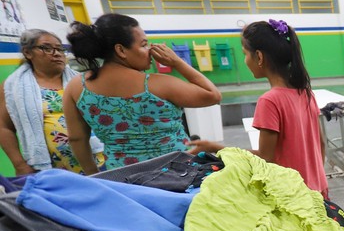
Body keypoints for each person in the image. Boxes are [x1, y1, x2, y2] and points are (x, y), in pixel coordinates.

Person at [63, 13, 221, 174]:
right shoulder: (158, 84)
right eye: (144, 45)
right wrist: (177, 62)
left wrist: (94, 174)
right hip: (178, 173)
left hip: (124, 177)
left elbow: (76, 138)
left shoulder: (76, 87)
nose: (150, 50)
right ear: (121, 50)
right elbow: (212, 95)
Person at [190, 19, 328, 198]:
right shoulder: (306, 93)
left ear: (259, 57)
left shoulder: (270, 101)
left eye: (245, 54)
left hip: (292, 195)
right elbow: (322, 143)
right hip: (318, 190)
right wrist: (317, 179)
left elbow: (265, 157)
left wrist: (215, 147)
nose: (245, 60)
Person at [0, 29, 106, 174]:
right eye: (47, 48)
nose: (56, 53)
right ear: (28, 53)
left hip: (96, 162)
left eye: (60, 49)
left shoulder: (80, 81)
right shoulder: (14, 87)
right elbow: (4, 127)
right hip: (50, 170)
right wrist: (19, 165)